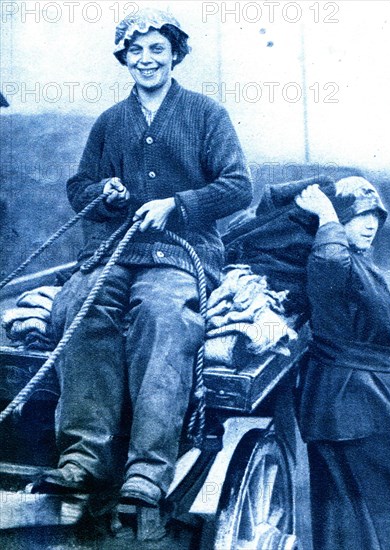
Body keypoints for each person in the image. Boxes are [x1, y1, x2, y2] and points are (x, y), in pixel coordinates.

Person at [31, 7, 252, 541]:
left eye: (157, 49)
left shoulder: (206, 114)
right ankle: (84, 459)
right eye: (136, 51)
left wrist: (177, 203)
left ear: (175, 54)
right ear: (124, 59)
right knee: (82, 307)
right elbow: (80, 186)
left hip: (182, 253)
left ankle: (148, 473)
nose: (146, 59)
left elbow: (237, 186)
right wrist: (100, 194)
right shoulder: (110, 122)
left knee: (162, 315)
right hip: (113, 251)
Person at [294, 178, 390, 550]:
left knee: (383, 503)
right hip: (351, 400)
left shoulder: (358, 262)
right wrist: (327, 216)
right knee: (369, 506)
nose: (370, 224)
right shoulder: (330, 261)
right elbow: (328, 260)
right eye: (359, 215)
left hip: (368, 397)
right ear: (339, 222)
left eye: (375, 215)